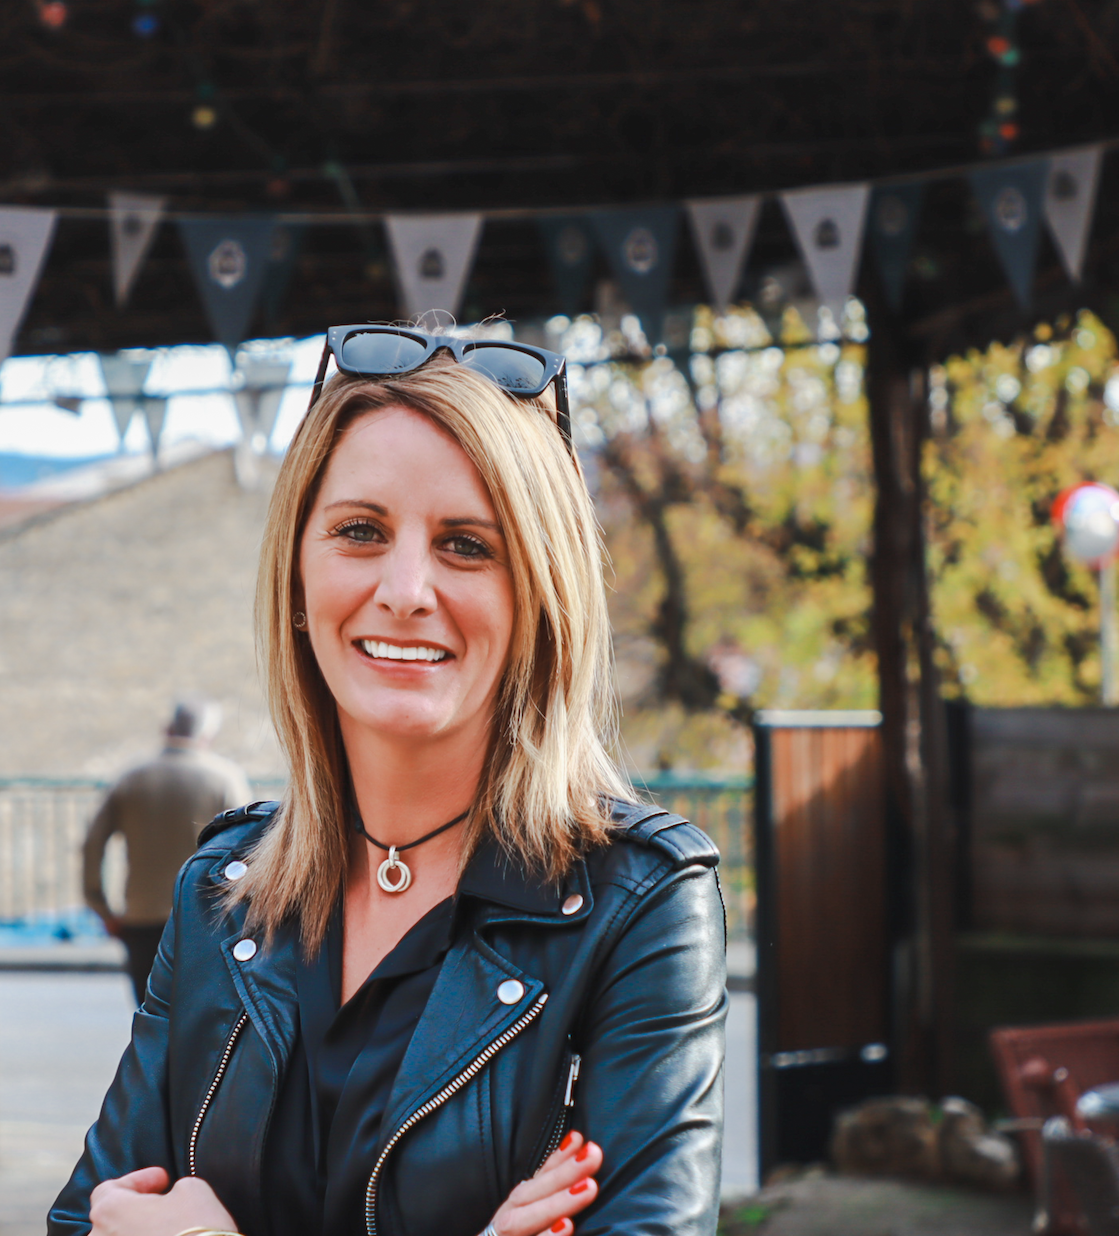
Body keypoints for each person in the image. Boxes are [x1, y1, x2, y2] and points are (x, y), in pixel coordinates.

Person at [51, 325, 727, 1236]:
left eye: (467, 546)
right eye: (360, 532)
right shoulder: (220, 895)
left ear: (540, 595)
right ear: (297, 574)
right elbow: (82, 1221)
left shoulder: (637, 909)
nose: (407, 588)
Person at [83, 698, 252, 1006]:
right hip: (205, 916)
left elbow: (92, 845)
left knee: (149, 1012)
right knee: (199, 1016)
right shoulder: (225, 778)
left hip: (141, 915)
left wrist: (101, 907)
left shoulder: (130, 777)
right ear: (208, 736)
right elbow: (247, 851)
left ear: (167, 728)